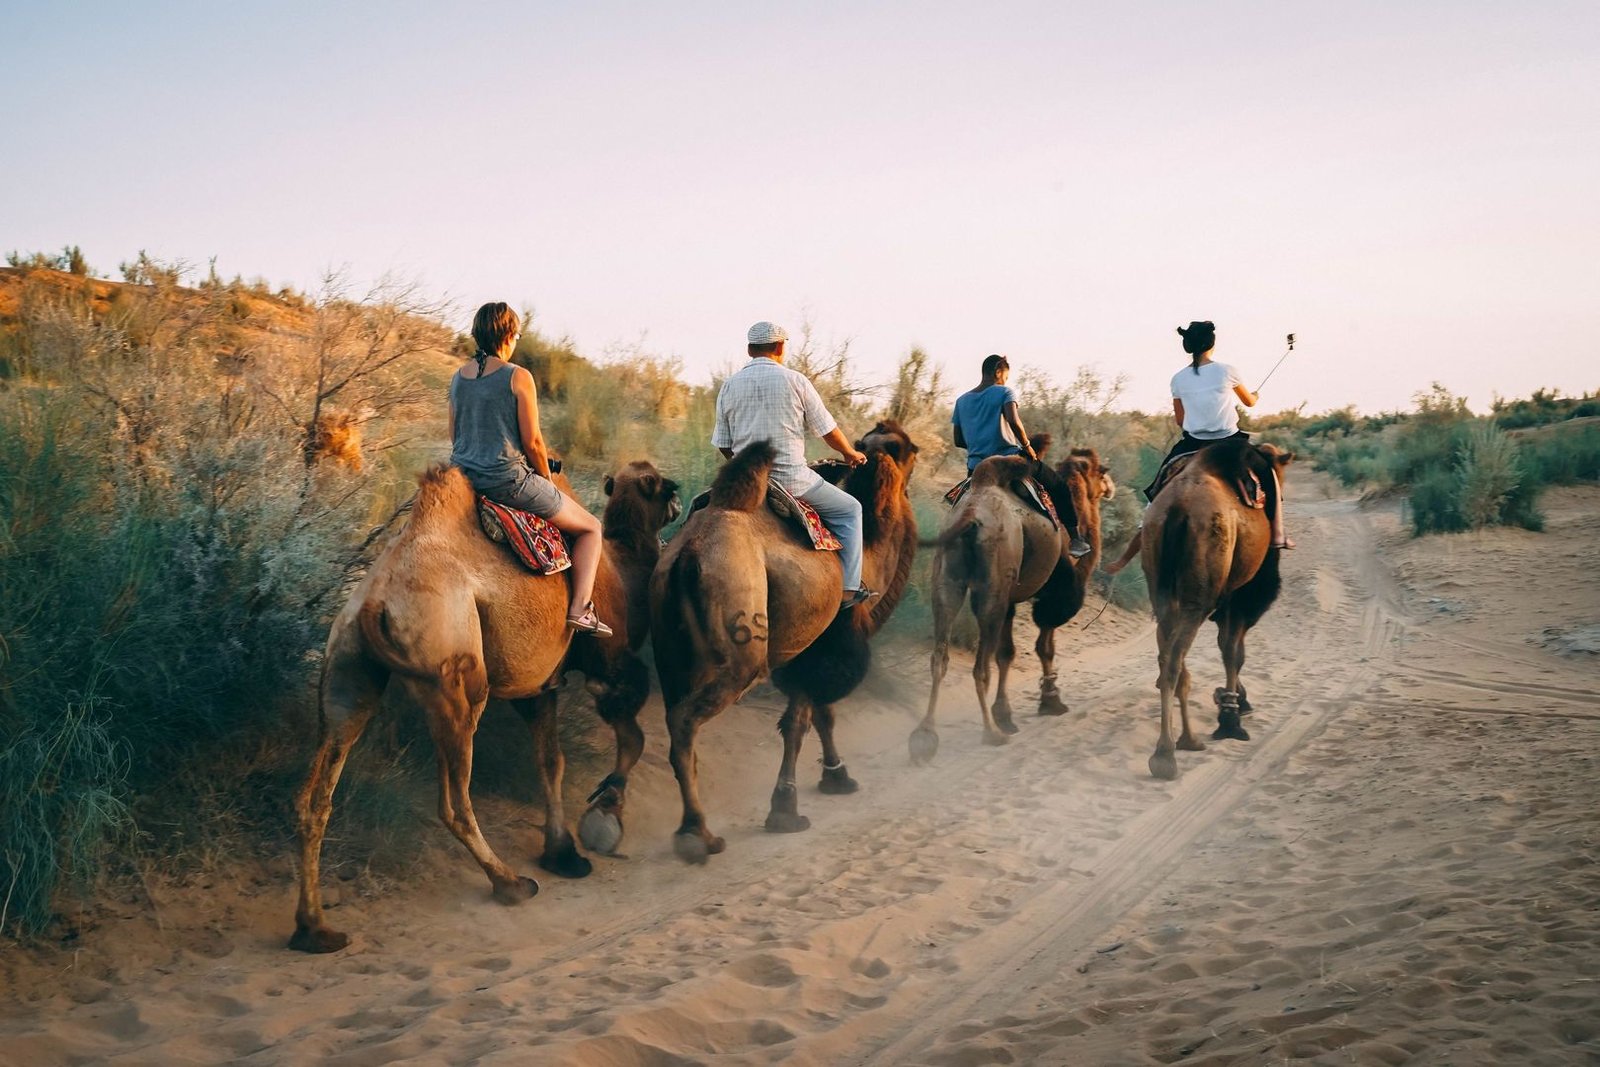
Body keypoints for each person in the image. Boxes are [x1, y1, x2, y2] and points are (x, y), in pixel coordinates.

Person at [448, 301, 613, 636]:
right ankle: (580, 609)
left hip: (463, 480)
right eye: (517, 334)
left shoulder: (457, 378)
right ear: (508, 335)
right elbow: (534, 442)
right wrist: (546, 478)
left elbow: (455, 437)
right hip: (507, 482)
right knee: (591, 529)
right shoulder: (518, 376)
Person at [1104, 321, 1292, 575]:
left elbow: (1180, 421)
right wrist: (1255, 397)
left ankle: (1126, 557)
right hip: (1229, 443)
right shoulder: (1228, 371)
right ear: (1212, 344)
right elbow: (1249, 402)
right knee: (1268, 477)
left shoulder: (1178, 379)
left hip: (1192, 444)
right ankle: (1278, 535)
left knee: (1158, 493)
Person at [713, 321, 877, 610]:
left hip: (747, 483)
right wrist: (850, 453)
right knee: (851, 510)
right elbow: (827, 431)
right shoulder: (796, 380)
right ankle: (849, 590)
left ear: (750, 349)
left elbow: (723, 443)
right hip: (792, 481)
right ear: (780, 347)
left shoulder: (729, 386)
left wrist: (743, 469)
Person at [953, 354, 1091, 558]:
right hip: (1010, 463)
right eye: (1005, 376)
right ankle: (1076, 540)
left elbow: (958, 440)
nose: (1005, 381)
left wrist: (979, 444)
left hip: (976, 469)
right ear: (998, 371)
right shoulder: (1004, 392)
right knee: (1059, 487)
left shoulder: (961, 401)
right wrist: (1027, 446)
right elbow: (1013, 420)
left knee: (959, 502)